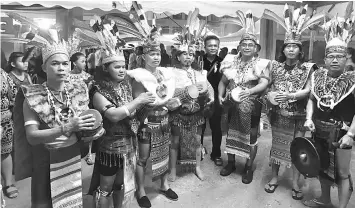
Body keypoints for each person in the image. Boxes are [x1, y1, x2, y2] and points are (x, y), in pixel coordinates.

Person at [13, 28, 104, 207]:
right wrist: (66, 127)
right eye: (55, 63)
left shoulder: (78, 90)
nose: (61, 68)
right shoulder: (32, 96)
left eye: (65, 63)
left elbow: (84, 126)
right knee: (43, 203)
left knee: (70, 200)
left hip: (71, 156)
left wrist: (94, 129)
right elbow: (32, 137)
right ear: (44, 67)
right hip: (45, 159)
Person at [87, 23, 156, 207]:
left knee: (121, 185)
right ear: (105, 68)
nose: (121, 70)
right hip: (109, 146)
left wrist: (148, 106)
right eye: (116, 67)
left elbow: (133, 115)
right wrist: (139, 101)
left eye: (123, 66)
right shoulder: (97, 90)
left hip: (129, 144)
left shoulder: (125, 85)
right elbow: (114, 116)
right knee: (106, 187)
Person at [262, 3, 321, 199]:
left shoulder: (308, 68)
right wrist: (270, 95)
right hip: (279, 114)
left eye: (295, 46)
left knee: (299, 150)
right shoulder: (275, 66)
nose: (291, 49)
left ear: (300, 49)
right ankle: (274, 178)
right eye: (288, 46)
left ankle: (295, 182)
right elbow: (267, 86)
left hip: (299, 115)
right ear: (283, 48)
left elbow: (309, 91)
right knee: (276, 146)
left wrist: (291, 95)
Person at [302, 12, 355, 208]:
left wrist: (351, 133)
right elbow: (311, 99)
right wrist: (308, 118)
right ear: (325, 58)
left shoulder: (353, 79)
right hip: (319, 128)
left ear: (346, 57)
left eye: (339, 56)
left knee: (342, 172)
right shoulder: (318, 76)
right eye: (331, 56)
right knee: (321, 166)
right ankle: (325, 199)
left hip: (342, 131)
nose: (335, 60)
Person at [128, 5, 179, 205]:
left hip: (164, 119)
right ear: (144, 57)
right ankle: (141, 191)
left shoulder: (164, 73)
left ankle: (163, 184)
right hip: (147, 122)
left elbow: (167, 97)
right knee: (143, 157)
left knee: (164, 153)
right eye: (152, 54)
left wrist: (171, 102)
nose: (156, 57)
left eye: (158, 53)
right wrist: (154, 104)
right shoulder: (138, 77)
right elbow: (138, 103)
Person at [218, 10, 270, 184]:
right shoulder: (230, 62)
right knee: (230, 133)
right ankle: (231, 163)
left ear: (256, 48)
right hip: (231, 103)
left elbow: (263, 83)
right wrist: (220, 96)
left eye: (251, 45)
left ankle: (249, 167)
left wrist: (250, 91)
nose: (247, 47)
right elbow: (223, 81)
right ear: (239, 46)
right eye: (244, 44)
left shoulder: (261, 64)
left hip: (252, 104)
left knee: (251, 137)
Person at [169, 31, 214, 181]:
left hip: (196, 113)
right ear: (177, 56)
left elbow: (209, 90)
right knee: (175, 141)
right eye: (185, 54)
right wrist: (186, 92)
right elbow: (168, 93)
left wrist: (209, 97)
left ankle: (197, 167)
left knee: (197, 140)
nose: (188, 57)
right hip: (178, 113)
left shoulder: (200, 73)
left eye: (191, 54)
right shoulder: (171, 73)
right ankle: (173, 170)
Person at [200, 35, 224, 166]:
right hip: (201, 98)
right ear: (205, 47)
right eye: (210, 45)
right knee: (200, 127)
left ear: (218, 47)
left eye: (215, 45)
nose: (213, 48)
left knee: (216, 128)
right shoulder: (198, 61)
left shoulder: (223, 62)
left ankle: (216, 154)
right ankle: (199, 151)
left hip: (216, 98)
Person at [1, 68, 18, 199]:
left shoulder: (3, 75)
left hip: (4, 122)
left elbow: (13, 96)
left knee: (5, 152)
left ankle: (8, 183)